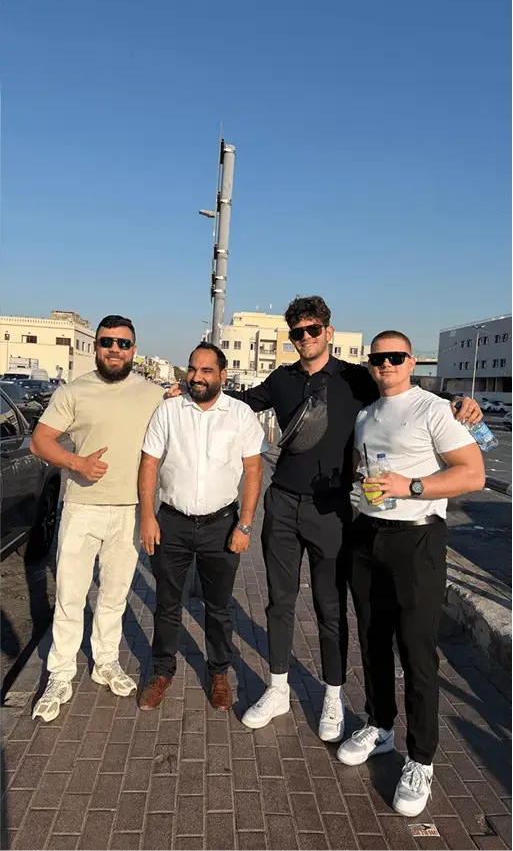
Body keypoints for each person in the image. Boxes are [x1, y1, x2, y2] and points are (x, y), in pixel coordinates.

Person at [167, 297, 481, 743]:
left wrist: (458, 401)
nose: (305, 339)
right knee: (279, 601)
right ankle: (278, 689)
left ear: (328, 333)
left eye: (312, 330)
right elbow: (234, 400)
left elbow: (407, 393)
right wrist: (190, 388)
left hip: (333, 511)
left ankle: (333, 696)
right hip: (282, 504)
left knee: (329, 607)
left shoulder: (357, 378)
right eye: (297, 332)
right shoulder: (281, 379)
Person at [337, 331, 485, 818]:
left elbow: (472, 473)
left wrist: (413, 485)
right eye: (377, 359)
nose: (385, 366)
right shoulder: (366, 414)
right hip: (369, 535)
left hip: (417, 538)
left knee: (417, 650)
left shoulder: (433, 409)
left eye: (395, 357)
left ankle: (422, 758)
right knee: (373, 640)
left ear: (411, 360)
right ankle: (380, 726)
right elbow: (368, 467)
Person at [30, 315, 164, 722]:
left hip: (127, 511)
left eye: (123, 343)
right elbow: (39, 440)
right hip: (82, 508)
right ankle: (60, 673)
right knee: (70, 596)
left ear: (134, 350)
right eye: (107, 342)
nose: (115, 350)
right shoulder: (75, 391)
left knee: (114, 595)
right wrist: (76, 463)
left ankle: (105, 661)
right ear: (96, 347)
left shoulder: (153, 394)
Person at [137, 343, 268, 711]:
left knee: (220, 606)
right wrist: (148, 516)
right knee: (166, 603)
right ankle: (162, 671)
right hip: (172, 523)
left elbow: (254, 470)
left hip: (221, 524)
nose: (197, 376)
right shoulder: (169, 411)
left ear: (222, 376)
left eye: (207, 370)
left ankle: (219, 673)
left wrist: (244, 525)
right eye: (193, 369)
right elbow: (149, 464)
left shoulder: (240, 415)